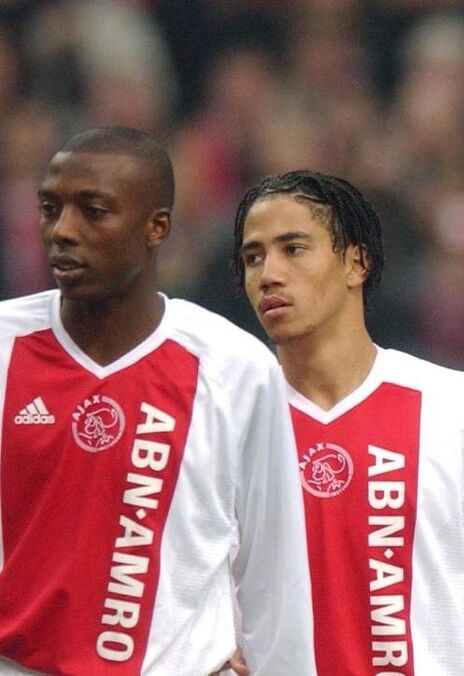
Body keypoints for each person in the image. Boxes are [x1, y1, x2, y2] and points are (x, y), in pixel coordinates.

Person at [233, 169, 464, 674]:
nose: (269, 274)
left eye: (293, 248)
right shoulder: (227, 426)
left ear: (357, 262)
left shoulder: (457, 408)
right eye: (253, 257)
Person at [0, 127, 316, 674]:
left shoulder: (235, 368)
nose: (63, 231)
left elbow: (274, 572)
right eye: (51, 209)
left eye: (93, 212)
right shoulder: (6, 346)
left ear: (157, 227)